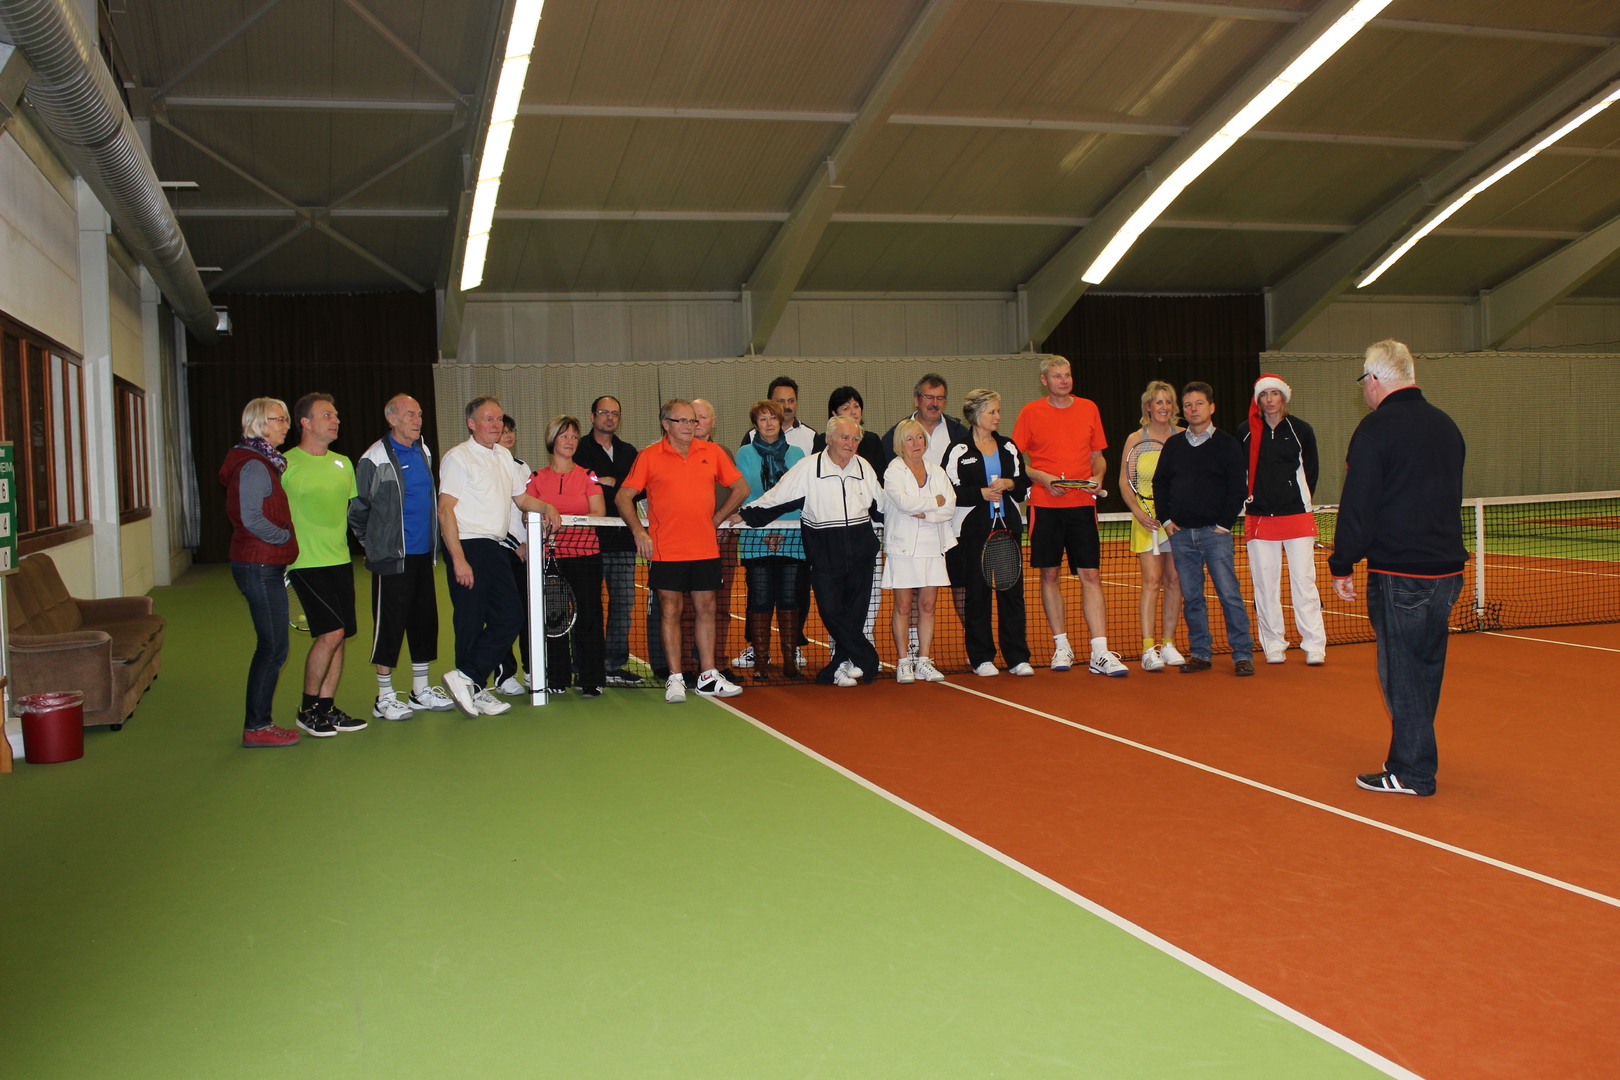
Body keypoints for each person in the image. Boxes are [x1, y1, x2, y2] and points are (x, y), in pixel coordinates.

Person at [1331, 340, 1466, 797]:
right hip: (1447, 571)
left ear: (1374, 379)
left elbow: (1358, 504)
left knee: (1402, 672)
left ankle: (1413, 772)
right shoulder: (1446, 425)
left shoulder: (1374, 429)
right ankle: (1409, 759)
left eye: (1363, 382)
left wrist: (1342, 562)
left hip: (1400, 571)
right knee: (1425, 669)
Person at [733, 415, 886, 688]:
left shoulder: (864, 466)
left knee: (855, 614)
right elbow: (778, 497)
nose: (850, 443)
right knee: (830, 611)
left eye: (855, 439)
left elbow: (881, 505)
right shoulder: (808, 467)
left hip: (862, 552)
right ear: (829, 438)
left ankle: (838, 667)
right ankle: (867, 658)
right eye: (844, 437)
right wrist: (744, 514)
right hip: (824, 552)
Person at [617, 399, 749, 703]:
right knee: (670, 611)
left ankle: (708, 676)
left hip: (705, 548)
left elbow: (741, 488)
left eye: (693, 421)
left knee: (707, 610)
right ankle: (675, 678)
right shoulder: (649, 456)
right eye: (683, 421)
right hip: (667, 549)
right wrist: (638, 531)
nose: (690, 426)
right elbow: (624, 496)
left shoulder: (712, 452)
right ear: (666, 424)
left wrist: (716, 519)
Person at [438, 396, 561, 717]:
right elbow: (445, 509)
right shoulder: (458, 457)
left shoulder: (504, 456)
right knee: (470, 619)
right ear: (471, 423)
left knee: (511, 617)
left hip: (495, 547)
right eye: (488, 419)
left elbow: (522, 499)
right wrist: (458, 558)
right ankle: (473, 686)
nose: (496, 425)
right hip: (468, 545)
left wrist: (547, 506)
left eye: (499, 419)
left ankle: (468, 678)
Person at [1011, 356, 1127, 675]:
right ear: (1044, 381)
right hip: (1044, 505)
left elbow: (1098, 457)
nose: (1064, 380)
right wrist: (1044, 478)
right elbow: (1015, 461)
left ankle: (1100, 652)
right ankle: (1061, 647)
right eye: (1057, 376)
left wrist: (1098, 477)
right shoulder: (1030, 412)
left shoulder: (1089, 408)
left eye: (1067, 375)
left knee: (1091, 575)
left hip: (1082, 505)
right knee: (1049, 575)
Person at [349, 393, 455, 721]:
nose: (417, 420)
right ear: (392, 419)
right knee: (390, 625)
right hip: (392, 558)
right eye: (410, 414)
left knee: (424, 622)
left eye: (419, 414)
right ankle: (384, 697)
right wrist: (375, 545)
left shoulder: (424, 451)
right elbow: (358, 510)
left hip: (423, 555)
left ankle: (420, 691)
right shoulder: (374, 458)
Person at [1153, 382, 1255, 677]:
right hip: (1181, 535)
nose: (1193, 409)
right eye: (1188, 405)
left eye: (1199, 403)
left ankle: (1242, 655)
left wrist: (1223, 525)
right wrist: (1166, 521)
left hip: (1215, 535)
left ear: (1211, 407)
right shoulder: (1173, 445)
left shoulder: (1227, 444)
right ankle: (1200, 653)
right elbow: (1160, 483)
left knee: (1229, 595)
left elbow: (1238, 487)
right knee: (1192, 599)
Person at [282, 393, 366, 736]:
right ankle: (307, 709)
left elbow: (353, 515)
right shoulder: (284, 464)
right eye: (327, 415)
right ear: (305, 422)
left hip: (340, 560)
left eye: (336, 415)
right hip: (303, 562)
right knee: (331, 632)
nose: (336, 420)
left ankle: (326, 708)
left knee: (340, 635)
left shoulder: (343, 464)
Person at [221, 398, 301, 748]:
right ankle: (257, 726)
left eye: (286, 419)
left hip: (262, 564)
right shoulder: (254, 465)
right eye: (279, 419)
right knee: (272, 648)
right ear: (258, 423)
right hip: (258, 566)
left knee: (273, 647)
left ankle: (259, 723)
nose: (286, 425)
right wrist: (282, 536)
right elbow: (250, 517)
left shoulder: (263, 461)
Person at [945, 388, 1034, 677]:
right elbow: (949, 491)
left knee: (1012, 594)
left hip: (1007, 529)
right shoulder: (959, 450)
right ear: (976, 414)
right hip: (974, 532)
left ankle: (1017, 657)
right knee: (977, 594)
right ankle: (981, 658)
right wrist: (980, 493)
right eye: (992, 411)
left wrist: (1010, 483)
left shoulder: (1008, 447)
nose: (998, 416)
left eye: (998, 411)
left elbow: (1023, 486)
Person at [1241, 374, 1326, 666]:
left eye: (1274, 394)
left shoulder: (1301, 430)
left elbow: (1310, 471)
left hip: (1297, 515)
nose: (1269, 400)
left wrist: (1296, 498)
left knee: (1304, 581)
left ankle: (1314, 645)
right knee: (1265, 584)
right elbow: (1240, 472)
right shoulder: (1245, 431)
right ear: (1258, 400)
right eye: (1264, 395)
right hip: (1259, 517)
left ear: (1284, 397)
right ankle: (1273, 644)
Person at [527, 415, 607, 697]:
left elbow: (599, 513)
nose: (570, 441)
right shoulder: (536, 478)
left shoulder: (588, 476)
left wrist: (566, 521)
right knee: (554, 618)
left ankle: (591, 678)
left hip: (585, 555)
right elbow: (527, 513)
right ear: (552, 440)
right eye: (564, 436)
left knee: (589, 615)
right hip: (550, 557)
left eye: (574, 436)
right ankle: (557, 677)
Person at [732, 400, 806, 680]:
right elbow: (746, 494)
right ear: (755, 425)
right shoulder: (745, 453)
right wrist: (765, 532)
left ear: (780, 421)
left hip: (792, 535)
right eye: (762, 419)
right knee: (760, 598)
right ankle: (761, 662)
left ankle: (789, 661)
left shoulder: (798, 454)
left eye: (773, 417)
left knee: (789, 597)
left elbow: (799, 495)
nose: (769, 423)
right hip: (755, 538)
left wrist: (782, 531)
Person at [1118, 382, 1188, 672]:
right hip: (1146, 521)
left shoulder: (1183, 436)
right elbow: (1125, 482)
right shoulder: (1136, 439)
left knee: (1175, 580)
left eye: (1168, 402)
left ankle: (1168, 644)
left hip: (1177, 521)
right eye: (1158, 402)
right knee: (1151, 580)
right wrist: (1138, 513)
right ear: (1148, 406)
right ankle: (1149, 649)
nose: (1164, 407)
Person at [882, 419, 957, 683]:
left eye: (920, 437)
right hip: (902, 548)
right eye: (910, 439)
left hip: (933, 545)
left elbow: (950, 506)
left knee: (927, 605)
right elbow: (903, 502)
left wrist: (925, 513)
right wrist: (934, 502)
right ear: (900, 444)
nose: (916, 443)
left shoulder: (937, 471)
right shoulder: (893, 471)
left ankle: (924, 661)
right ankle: (903, 662)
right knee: (903, 606)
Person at [573, 395, 642, 685]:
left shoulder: (629, 451)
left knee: (623, 604)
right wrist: (620, 486)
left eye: (614, 413)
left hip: (624, 541)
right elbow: (582, 486)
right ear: (592, 417)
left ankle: (613, 664)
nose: (609, 417)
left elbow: (641, 489)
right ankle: (584, 665)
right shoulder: (579, 449)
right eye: (604, 412)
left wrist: (611, 483)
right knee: (587, 605)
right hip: (589, 542)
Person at [493, 414, 536, 696]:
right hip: (501, 551)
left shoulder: (522, 467)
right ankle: (505, 675)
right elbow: (496, 514)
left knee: (528, 615)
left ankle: (533, 671)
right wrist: (514, 544)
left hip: (526, 553)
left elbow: (527, 508)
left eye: (511, 431)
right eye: (503, 431)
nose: (508, 435)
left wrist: (530, 543)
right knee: (505, 614)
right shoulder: (490, 467)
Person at [811, 386, 885, 470]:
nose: (853, 412)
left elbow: (879, 474)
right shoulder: (823, 440)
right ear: (835, 413)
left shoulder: (872, 440)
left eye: (856, 406)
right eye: (846, 408)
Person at [740, 376, 816, 455]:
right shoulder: (751, 435)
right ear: (770, 402)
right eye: (781, 401)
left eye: (791, 401)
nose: (786, 406)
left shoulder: (810, 436)